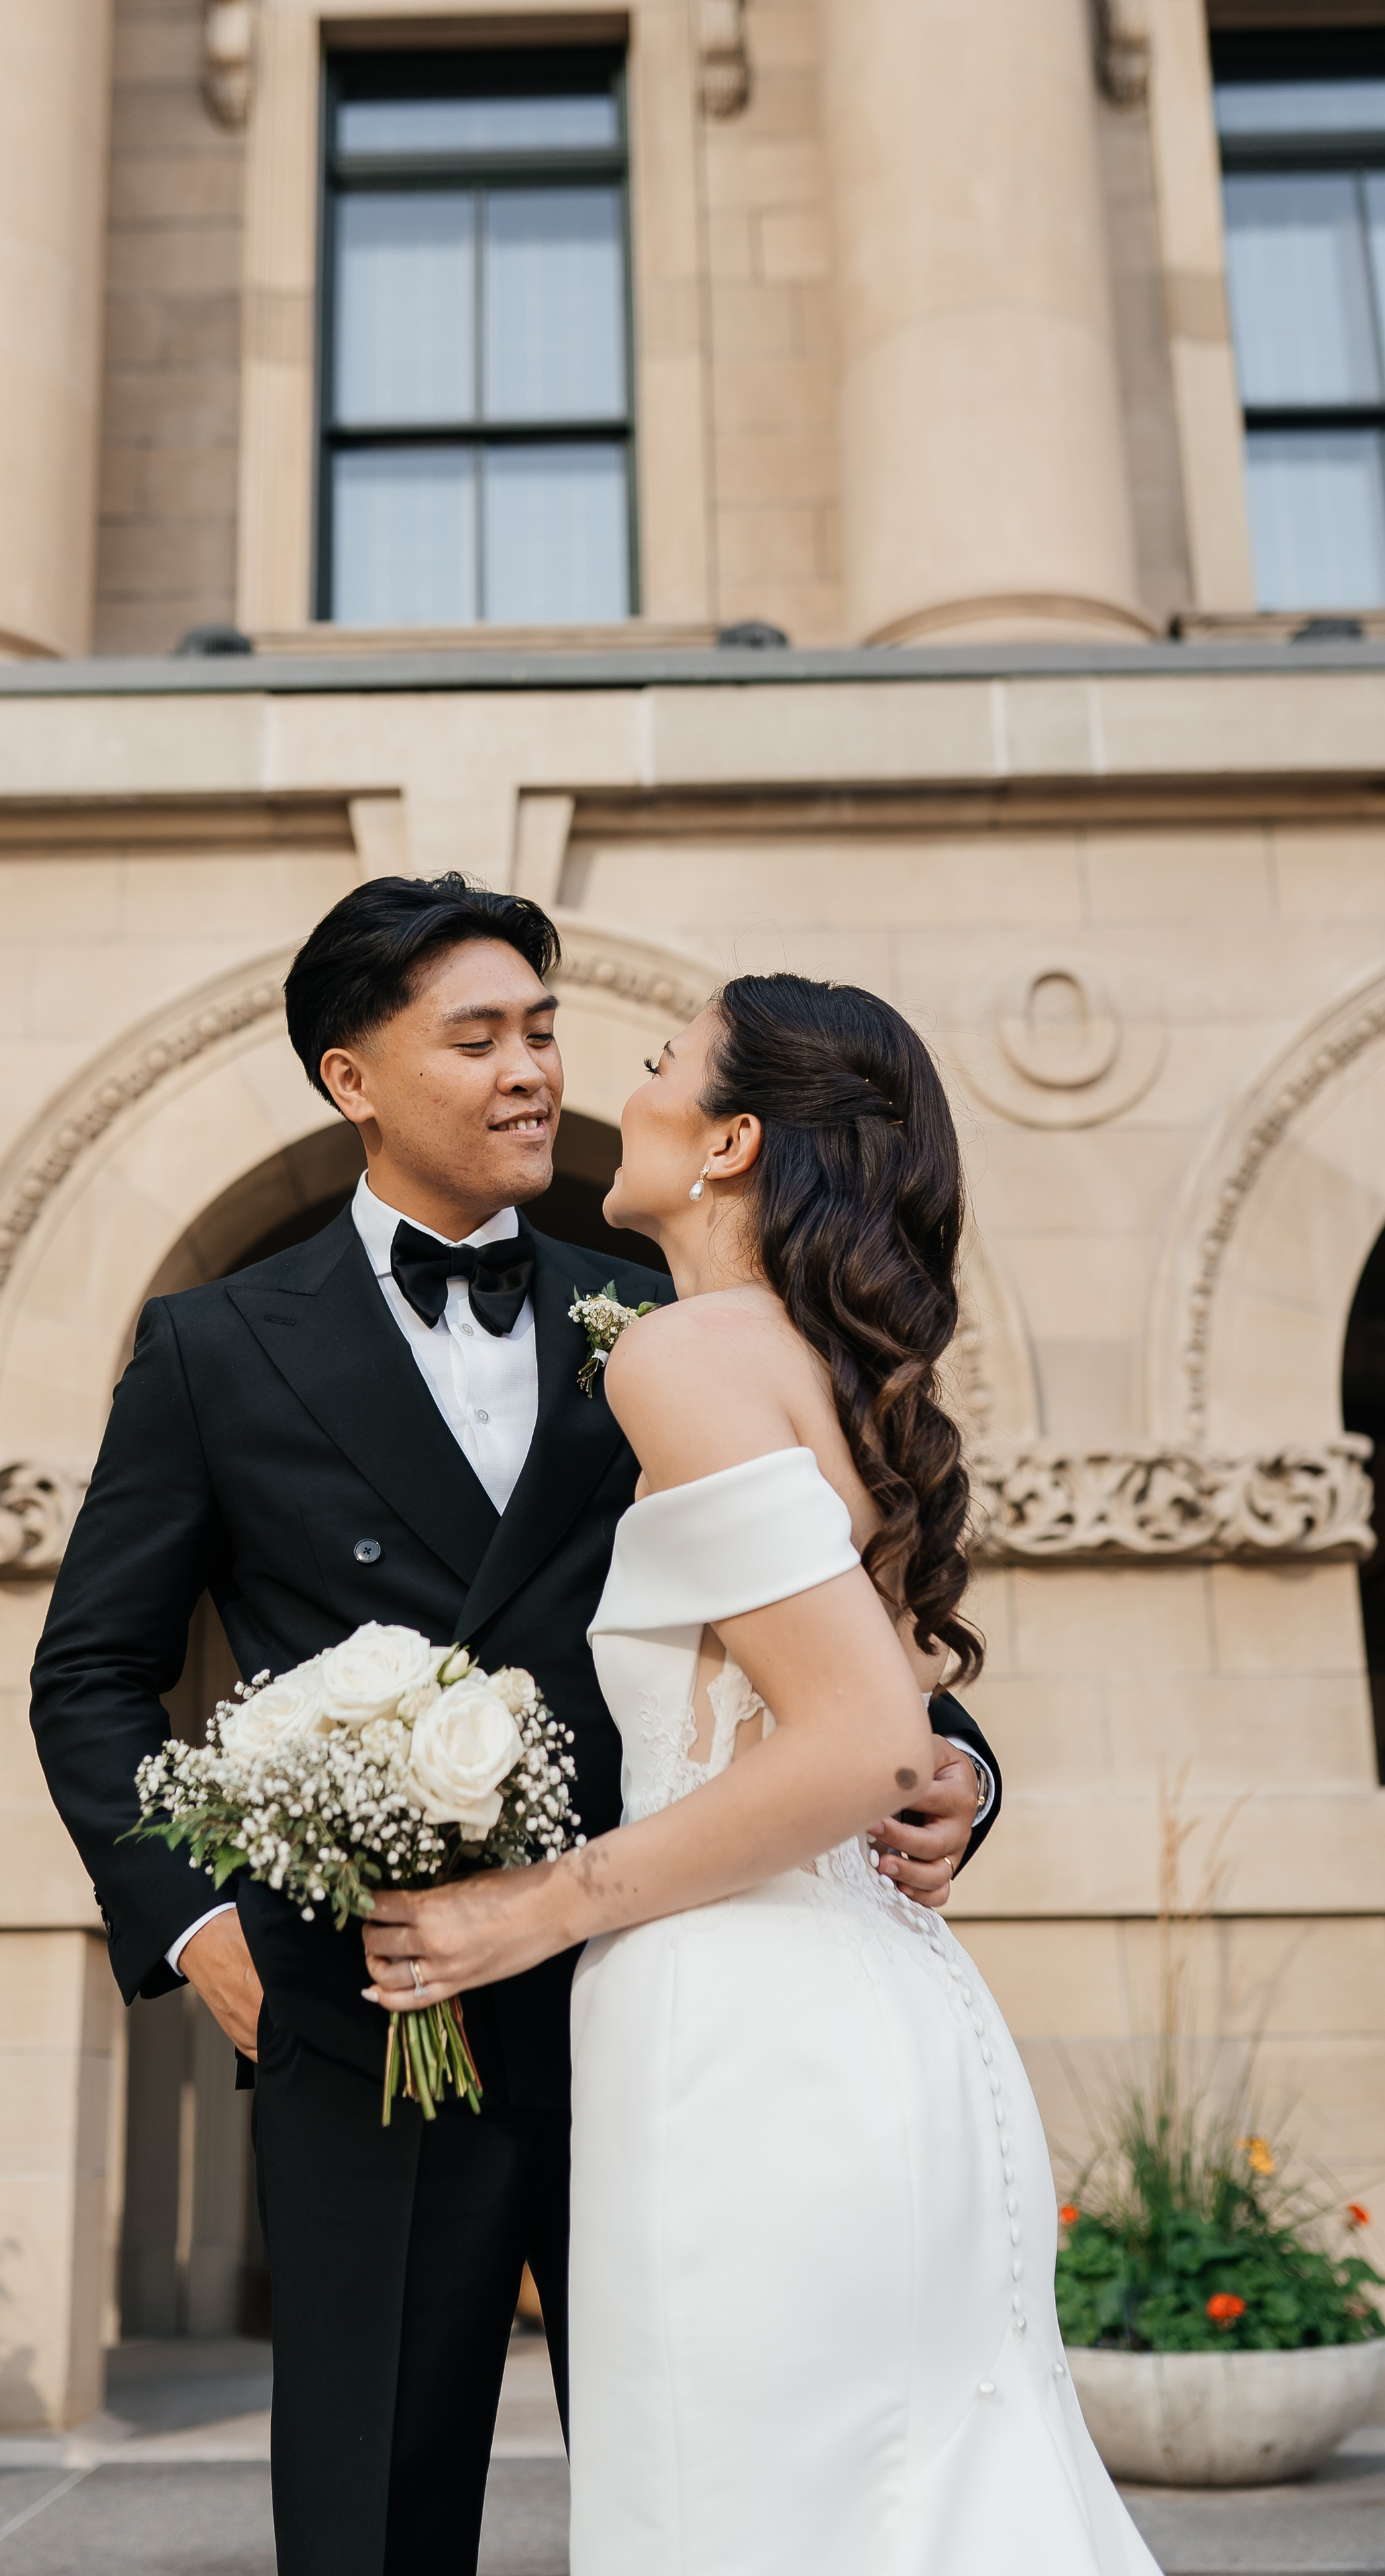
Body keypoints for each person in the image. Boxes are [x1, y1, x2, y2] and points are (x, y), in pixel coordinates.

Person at [30, 889, 1002, 2576]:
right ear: (351, 1078)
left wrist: (961, 1770)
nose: (535, 1071)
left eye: (542, 1029)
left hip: (665, 1998)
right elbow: (91, 1677)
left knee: (712, 2488)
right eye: (475, 1039)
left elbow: (823, 1616)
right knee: (373, 2523)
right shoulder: (212, 1348)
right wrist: (197, 1933)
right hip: (366, 2009)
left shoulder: (659, 1315)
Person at [363, 973, 1156, 2575]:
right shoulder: (819, 1367)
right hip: (885, 2000)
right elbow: (893, 1728)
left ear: (727, 1140)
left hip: (745, 2035)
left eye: (658, 1063)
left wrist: (534, 1909)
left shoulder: (687, 1355)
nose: (613, 1081)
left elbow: (861, 1740)